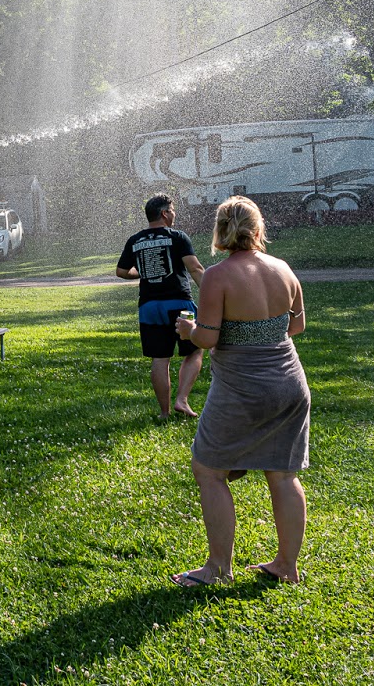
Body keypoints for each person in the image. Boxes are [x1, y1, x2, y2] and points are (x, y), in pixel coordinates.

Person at [171, 196, 309, 587]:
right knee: (283, 475)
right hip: (289, 383)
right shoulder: (283, 269)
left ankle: (217, 569)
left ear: (220, 230)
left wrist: (188, 331)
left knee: (208, 469)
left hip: (244, 387)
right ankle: (287, 566)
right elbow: (295, 328)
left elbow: (209, 339)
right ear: (258, 227)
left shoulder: (218, 275)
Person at [115, 193, 207, 419]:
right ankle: (181, 401)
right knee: (195, 350)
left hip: (149, 307)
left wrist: (144, 272)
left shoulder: (135, 240)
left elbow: (121, 271)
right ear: (165, 213)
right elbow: (195, 269)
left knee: (160, 358)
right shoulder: (177, 237)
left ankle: (164, 412)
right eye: (172, 210)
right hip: (180, 304)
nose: (174, 214)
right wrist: (211, 294)